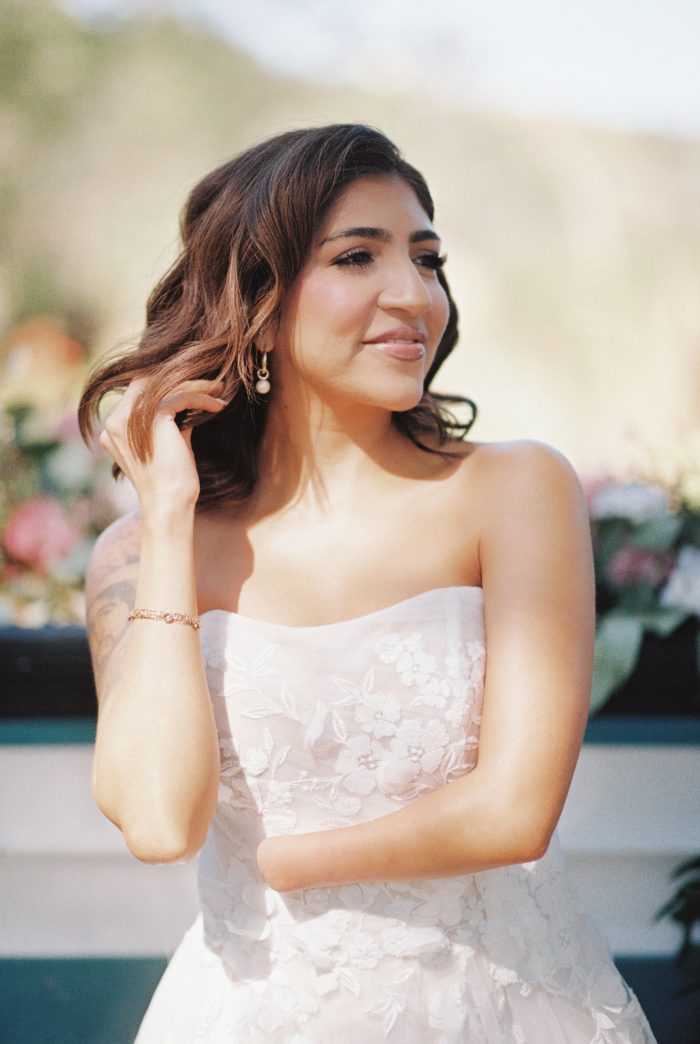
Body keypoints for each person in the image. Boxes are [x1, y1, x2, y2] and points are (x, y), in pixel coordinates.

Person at [78, 124, 655, 1043]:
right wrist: (169, 517)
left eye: (427, 260)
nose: (413, 295)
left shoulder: (513, 491)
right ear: (256, 301)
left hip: (503, 1004)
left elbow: (514, 811)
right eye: (358, 256)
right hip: (247, 1011)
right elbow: (157, 821)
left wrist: (284, 864)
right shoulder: (137, 554)